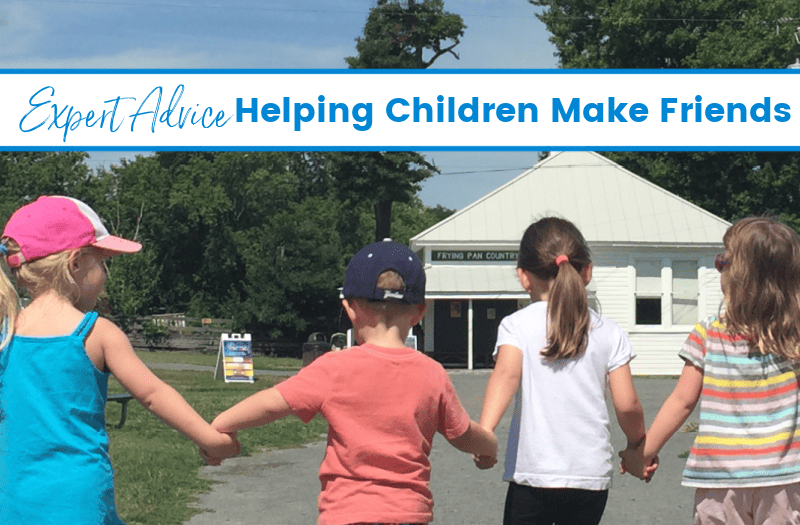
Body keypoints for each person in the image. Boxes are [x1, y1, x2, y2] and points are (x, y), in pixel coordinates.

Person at [209, 239, 498, 525]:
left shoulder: (334, 368)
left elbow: (272, 404)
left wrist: (219, 427)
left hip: (347, 515)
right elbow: (463, 435)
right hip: (408, 514)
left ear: (349, 308)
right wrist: (489, 446)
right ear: (420, 311)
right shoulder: (432, 373)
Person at [0, 195, 240, 525]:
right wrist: (211, 440)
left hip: (13, 503)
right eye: (103, 263)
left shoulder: (5, 334)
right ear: (76, 263)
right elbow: (153, 395)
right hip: (78, 504)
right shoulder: (95, 332)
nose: (105, 274)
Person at [620, 216, 800, 524]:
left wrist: (642, 452)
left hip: (720, 476)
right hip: (785, 477)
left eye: (722, 262)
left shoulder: (708, 335)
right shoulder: (793, 339)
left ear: (737, 276)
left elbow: (682, 401)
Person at [477, 216, 648, 525]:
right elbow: (627, 405)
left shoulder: (516, 325)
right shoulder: (608, 330)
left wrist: (485, 435)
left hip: (532, 475)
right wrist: (637, 445)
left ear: (523, 277)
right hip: (589, 476)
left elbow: (505, 377)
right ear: (587, 272)